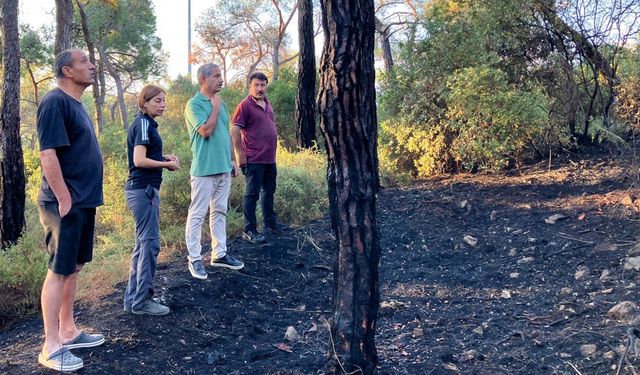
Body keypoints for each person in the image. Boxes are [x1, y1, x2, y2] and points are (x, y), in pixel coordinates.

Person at [36, 49, 105, 372]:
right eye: (84, 62)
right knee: (58, 269)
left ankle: (68, 330)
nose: (92, 66)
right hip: (64, 202)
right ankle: (50, 346)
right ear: (67, 69)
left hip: (82, 200)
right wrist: (63, 198)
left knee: (74, 266)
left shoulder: (77, 105)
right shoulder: (54, 102)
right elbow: (47, 153)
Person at [123, 85, 180, 316]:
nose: (163, 104)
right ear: (144, 103)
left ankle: (132, 299)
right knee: (149, 245)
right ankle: (142, 302)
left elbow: (145, 155)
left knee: (142, 246)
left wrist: (163, 157)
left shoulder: (144, 124)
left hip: (141, 190)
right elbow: (138, 160)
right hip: (144, 191)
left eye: (164, 100)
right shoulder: (144, 123)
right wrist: (166, 164)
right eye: (157, 100)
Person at [184, 63, 244, 280]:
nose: (221, 79)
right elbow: (206, 131)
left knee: (219, 211)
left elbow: (225, 134)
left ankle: (219, 254)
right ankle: (194, 258)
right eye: (217, 76)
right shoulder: (194, 104)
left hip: (223, 168)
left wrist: (232, 160)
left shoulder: (222, 103)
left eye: (221, 75)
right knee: (198, 214)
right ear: (204, 79)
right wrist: (215, 106)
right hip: (203, 169)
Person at [231, 72, 289, 244]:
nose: (260, 88)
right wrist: (240, 155)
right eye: (256, 85)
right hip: (253, 158)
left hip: (269, 158)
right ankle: (249, 230)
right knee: (251, 194)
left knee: (269, 191)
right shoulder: (244, 106)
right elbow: (234, 130)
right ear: (250, 86)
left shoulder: (267, 103)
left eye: (263, 85)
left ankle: (271, 223)